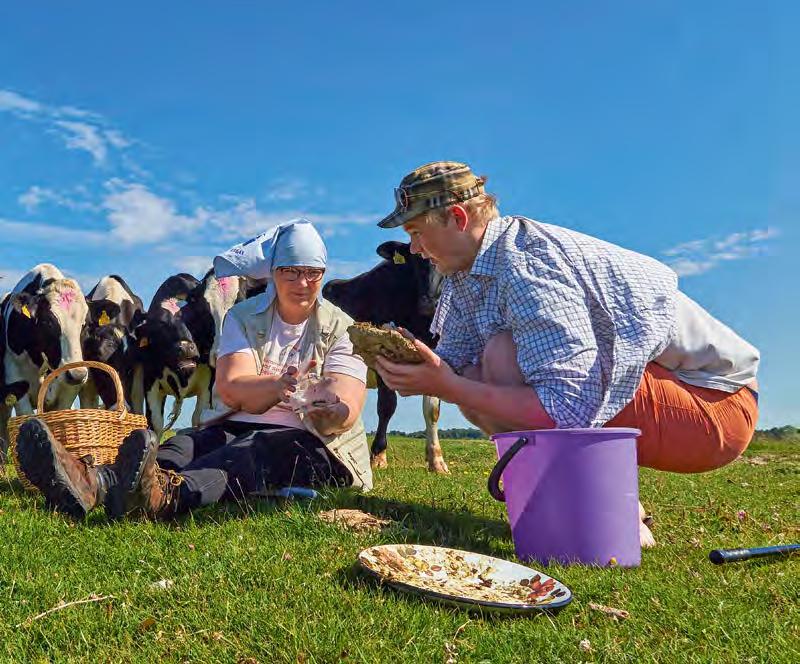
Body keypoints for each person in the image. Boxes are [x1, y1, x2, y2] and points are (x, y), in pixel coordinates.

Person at [373, 161, 760, 546]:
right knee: (477, 374)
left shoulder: (526, 264)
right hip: (663, 391)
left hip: (716, 404)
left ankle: (605, 511)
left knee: (503, 356)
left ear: (457, 218)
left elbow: (566, 405)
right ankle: (570, 506)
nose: (415, 249)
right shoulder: (466, 274)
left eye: (417, 232)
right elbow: (454, 365)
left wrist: (447, 386)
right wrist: (412, 360)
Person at [16, 219, 373, 521]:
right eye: (290, 271)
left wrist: (330, 410)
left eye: (312, 272)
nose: (302, 282)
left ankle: (167, 496)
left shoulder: (343, 328)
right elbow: (233, 388)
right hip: (238, 420)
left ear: (323, 274)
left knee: (253, 450)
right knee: (184, 444)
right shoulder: (243, 317)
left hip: (319, 445)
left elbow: (346, 409)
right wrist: (278, 386)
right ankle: (94, 482)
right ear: (273, 274)